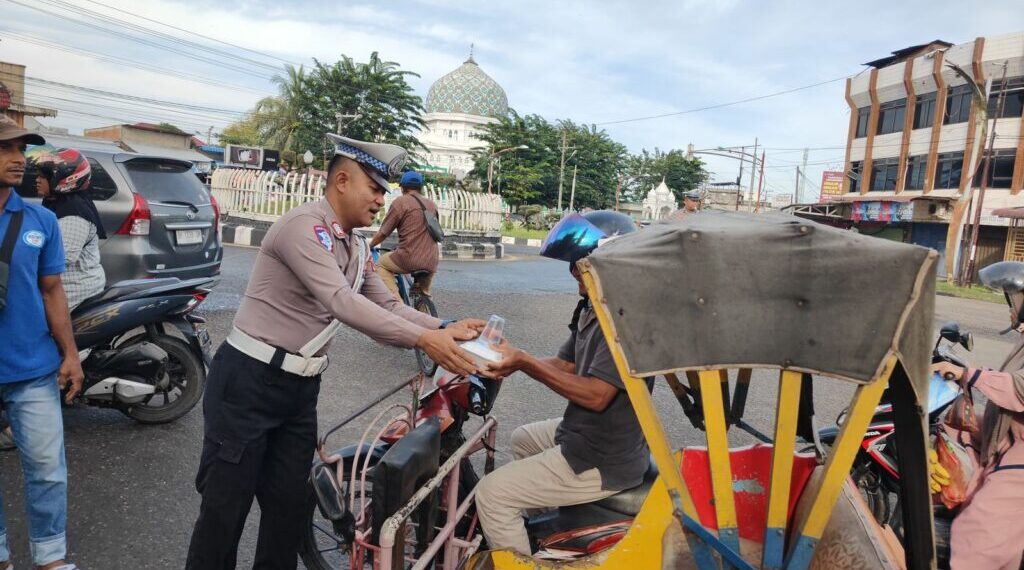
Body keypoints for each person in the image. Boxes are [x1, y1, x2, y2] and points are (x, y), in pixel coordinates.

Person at [185, 134, 485, 569]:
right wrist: (425, 340)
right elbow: (342, 303)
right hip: (247, 383)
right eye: (376, 189)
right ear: (342, 180)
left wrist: (443, 327)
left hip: (299, 390)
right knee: (224, 511)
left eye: (385, 191)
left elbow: (386, 304)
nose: (382, 200)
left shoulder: (356, 244)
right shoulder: (303, 228)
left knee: (287, 511)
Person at [474, 210, 650, 555]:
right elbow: (565, 364)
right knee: (522, 438)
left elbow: (598, 396)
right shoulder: (592, 306)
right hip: (590, 432)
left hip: (601, 455)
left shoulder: (624, 319)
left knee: (492, 495)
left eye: (580, 262)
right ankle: (547, 536)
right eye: (572, 263)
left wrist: (524, 361)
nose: (573, 271)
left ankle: (519, 556)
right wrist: (509, 360)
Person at [0, 115, 84, 570]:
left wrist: (70, 354)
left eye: (21, 150)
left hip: (32, 367)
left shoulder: (41, 219)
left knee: (48, 471)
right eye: (6, 150)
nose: (19, 160)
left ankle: (51, 559)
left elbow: (52, 289)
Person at [933, 260, 1024, 569]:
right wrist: (962, 374)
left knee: (979, 530)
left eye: (1017, 300)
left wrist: (967, 374)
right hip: (1012, 434)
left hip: (1020, 450)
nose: (1013, 307)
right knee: (955, 426)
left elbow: (1019, 387)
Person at [31, 147, 106, 310]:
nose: (37, 180)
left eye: (43, 176)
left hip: (74, 290)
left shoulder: (73, 212)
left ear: (65, 179)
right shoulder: (55, 202)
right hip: (58, 286)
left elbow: (62, 257)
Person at [369, 170, 441, 300]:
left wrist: (370, 245)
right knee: (423, 296)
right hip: (432, 259)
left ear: (402, 187)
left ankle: (398, 303)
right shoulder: (432, 205)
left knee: (381, 264)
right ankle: (425, 310)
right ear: (420, 187)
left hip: (408, 258)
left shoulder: (400, 202)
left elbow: (383, 233)